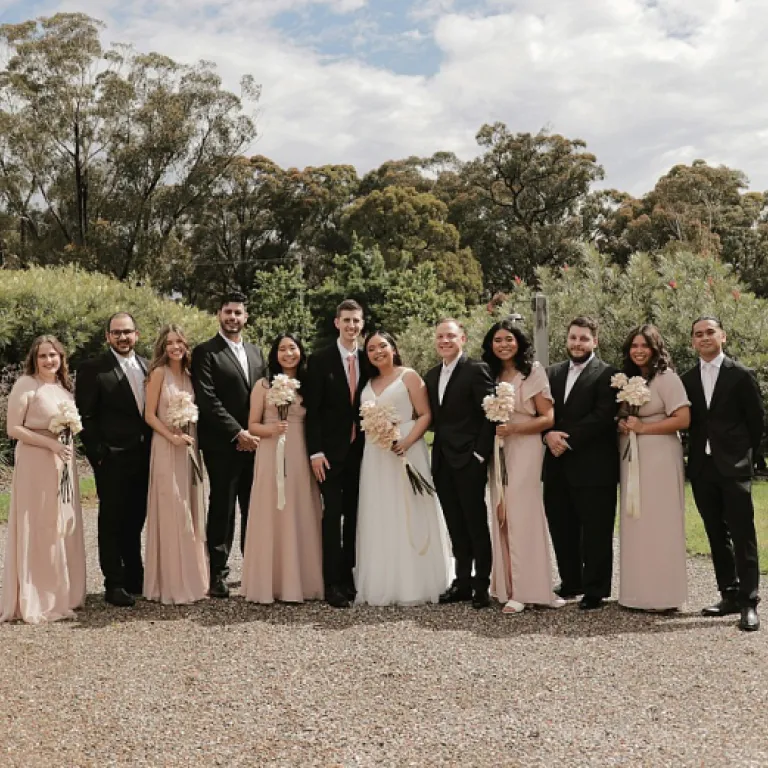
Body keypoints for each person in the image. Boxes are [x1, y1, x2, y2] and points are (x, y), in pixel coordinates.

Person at [355, 331, 450, 606]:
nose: (377, 352)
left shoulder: (408, 376)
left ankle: (415, 581)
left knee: (410, 509)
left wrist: (406, 441)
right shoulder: (368, 382)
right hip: (376, 454)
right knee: (381, 511)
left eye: (382, 345)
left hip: (407, 449)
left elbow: (426, 414)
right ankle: (383, 579)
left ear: (393, 348)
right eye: (371, 348)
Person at [682, 316, 764, 631]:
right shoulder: (686, 379)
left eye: (710, 332)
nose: (704, 338)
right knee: (716, 533)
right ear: (692, 341)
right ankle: (728, 594)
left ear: (723, 336)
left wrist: (744, 457)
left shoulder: (741, 375)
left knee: (743, 535)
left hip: (734, 468)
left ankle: (749, 602)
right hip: (703, 470)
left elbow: (756, 422)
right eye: (698, 334)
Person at [1, 336, 86, 623]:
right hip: (37, 461)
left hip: (62, 461)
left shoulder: (62, 387)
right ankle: (37, 597)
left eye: (54, 355)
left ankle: (63, 593)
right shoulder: (26, 384)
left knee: (61, 524)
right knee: (39, 524)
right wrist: (50, 444)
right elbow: (13, 428)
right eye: (43, 356)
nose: (49, 361)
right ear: (34, 360)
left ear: (62, 358)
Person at [481, 321, 563, 614]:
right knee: (501, 511)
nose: (503, 344)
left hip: (525, 446)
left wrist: (514, 430)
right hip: (498, 448)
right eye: (498, 340)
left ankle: (530, 588)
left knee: (522, 514)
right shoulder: (489, 374)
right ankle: (506, 586)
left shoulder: (533, 371)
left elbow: (548, 417)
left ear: (519, 342)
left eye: (509, 339)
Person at [192, 291, 265, 598]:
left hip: (257, 444)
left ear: (246, 317)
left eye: (238, 312)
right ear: (219, 315)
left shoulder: (256, 351)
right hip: (223, 444)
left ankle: (254, 569)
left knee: (254, 508)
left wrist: (258, 433)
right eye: (228, 312)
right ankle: (218, 574)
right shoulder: (206, 352)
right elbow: (207, 398)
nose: (233, 317)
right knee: (222, 508)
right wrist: (238, 432)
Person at [543, 316, 619, 610]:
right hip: (556, 464)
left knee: (596, 530)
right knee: (561, 525)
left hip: (593, 464)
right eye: (573, 337)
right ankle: (571, 580)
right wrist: (548, 435)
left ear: (595, 342)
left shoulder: (608, 374)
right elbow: (542, 411)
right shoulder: (551, 373)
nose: (577, 343)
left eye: (584, 338)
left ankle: (595, 588)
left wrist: (566, 439)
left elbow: (602, 417)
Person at [76, 312, 152, 607]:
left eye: (128, 332)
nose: (123, 337)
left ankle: (135, 575)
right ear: (107, 336)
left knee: (136, 519)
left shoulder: (148, 366)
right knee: (112, 520)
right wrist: (99, 455)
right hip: (112, 459)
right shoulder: (93, 368)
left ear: (137, 335)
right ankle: (114, 583)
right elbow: (86, 416)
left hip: (145, 457)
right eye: (117, 332)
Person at [241, 334, 323, 604]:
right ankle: (271, 582)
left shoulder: (309, 385)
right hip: (270, 452)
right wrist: (272, 429)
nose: (288, 354)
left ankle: (303, 581)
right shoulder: (263, 385)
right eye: (282, 349)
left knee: (300, 509)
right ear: (275, 354)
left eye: (293, 348)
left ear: (301, 351)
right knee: (272, 511)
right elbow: (252, 425)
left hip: (300, 453)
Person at [617, 325, 690, 612]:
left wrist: (645, 428)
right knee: (636, 522)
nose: (638, 350)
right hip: (632, 458)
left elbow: (683, 418)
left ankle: (664, 595)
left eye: (644, 345)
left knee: (660, 522)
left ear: (655, 348)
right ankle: (636, 592)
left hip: (659, 456)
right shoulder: (631, 380)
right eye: (633, 345)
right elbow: (625, 415)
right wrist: (622, 423)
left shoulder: (666, 378)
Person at [425, 319, 495, 609]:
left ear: (462, 339)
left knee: (475, 523)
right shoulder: (430, 375)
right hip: (442, 460)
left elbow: (491, 414)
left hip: (469, 459)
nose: (445, 341)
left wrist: (480, 454)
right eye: (440, 336)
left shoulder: (476, 370)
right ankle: (462, 582)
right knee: (455, 523)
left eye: (450, 336)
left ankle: (482, 585)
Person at [305, 299, 369, 609]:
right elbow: (313, 413)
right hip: (328, 455)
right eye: (346, 320)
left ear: (362, 324)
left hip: (362, 453)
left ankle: (351, 576)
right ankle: (332, 582)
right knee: (332, 516)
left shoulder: (370, 359)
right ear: (336, 323)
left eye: (356, 321)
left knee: (357, 515)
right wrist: (315, 451)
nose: (351, 326)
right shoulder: (319, 360)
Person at [143, 325, 209, 605]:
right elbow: (148, 415)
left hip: (189, 447)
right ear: (162, 346)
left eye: (179, 341)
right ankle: (169, 582)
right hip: (167, 445)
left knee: (190, 509)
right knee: (172, 509)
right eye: (169, 343)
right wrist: (172, 437)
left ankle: (192, 578)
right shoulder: (159, 374)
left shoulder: (192, 377)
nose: (175, 347)